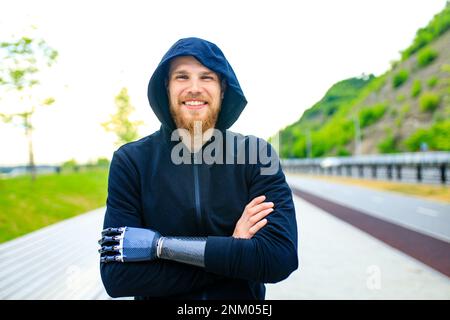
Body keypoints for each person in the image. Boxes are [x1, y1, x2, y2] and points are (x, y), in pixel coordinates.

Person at [99, 37, 298, 300]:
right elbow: (118, 277)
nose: (194, 88)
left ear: (223, 89)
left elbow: (279, 258)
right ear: (166, 87)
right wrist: (234, 250)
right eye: (182, 77)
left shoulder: (257, 155)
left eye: (207, 77)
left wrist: (158, 247)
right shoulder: (131, 161)